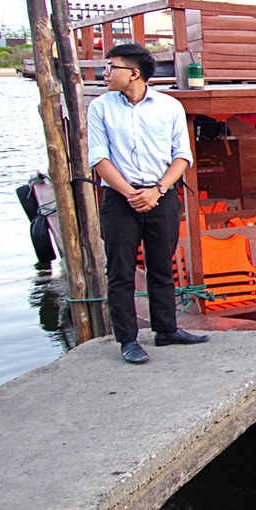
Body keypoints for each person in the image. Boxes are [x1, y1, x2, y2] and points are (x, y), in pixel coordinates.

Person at [88, 43, 206, 364]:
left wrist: (158, 189)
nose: (105, 73)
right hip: (120, 198)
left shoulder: (169, 107)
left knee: (161, 268)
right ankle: (128, 340)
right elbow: (98, 158)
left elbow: (182, 156)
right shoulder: (100, 108)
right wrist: (130, 192)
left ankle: (166, 330)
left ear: (134, 73)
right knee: (121, 272)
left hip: (162, 196)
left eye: (112, 67)